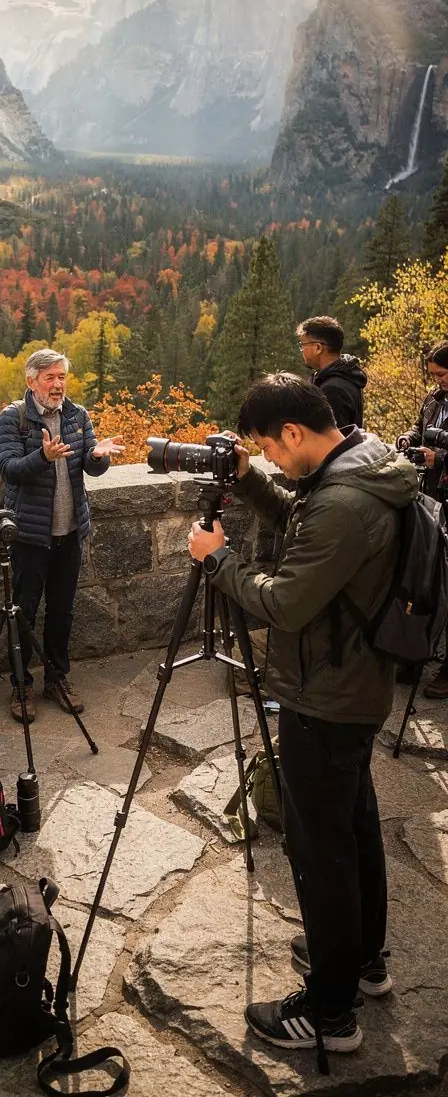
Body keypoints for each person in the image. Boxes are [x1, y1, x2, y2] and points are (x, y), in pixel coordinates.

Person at [188, 374, 417, 1056]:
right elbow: (302, 517)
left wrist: (219, 562)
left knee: (320, 852)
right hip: (354, 684)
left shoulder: (344, 501)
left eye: (268, 447)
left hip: (325, 694)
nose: (271, 457)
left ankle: (329, 1012)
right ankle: (362, 959)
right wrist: (251, 478)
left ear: (294, 432)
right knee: (354, 828)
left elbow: (286, 603)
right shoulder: (364, 463)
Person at [0, 349, 123, 722]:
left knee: (62, 611)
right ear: (31, 380)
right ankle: (21, 685)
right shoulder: (14, 418)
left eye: (62, 377)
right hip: (29, 536)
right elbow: (10, 469)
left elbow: (91, 468)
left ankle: (56, 679)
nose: (57, 385)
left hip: (70, 533)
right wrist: (43, 457)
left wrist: (97, 456)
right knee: (24, 612)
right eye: (49, 377)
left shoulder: (77, 415)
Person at [396, 340, 448, 697]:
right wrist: (408, 438)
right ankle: (416, 652)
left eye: (442, 374)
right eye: (434, 375)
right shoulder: (433, 398)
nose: (437, 381)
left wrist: (439, 458)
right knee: (423, 576)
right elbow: (420, 427)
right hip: (431, 496)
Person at [297, 315, 367, 429]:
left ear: (318, 348)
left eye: (303, 345)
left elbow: (332, 436)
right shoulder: (344, 374)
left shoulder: (333, 389)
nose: (301, 350)